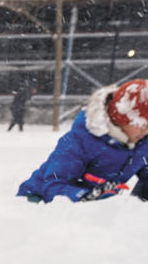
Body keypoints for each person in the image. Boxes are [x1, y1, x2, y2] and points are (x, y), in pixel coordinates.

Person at [18, 79, 148, 203]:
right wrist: (87, 197)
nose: (146, 131)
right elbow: (54, 185)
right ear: (122, 119)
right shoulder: (81, 140)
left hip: (96, 204)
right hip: (40, 198)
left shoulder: (142, 143)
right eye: (143, 125)